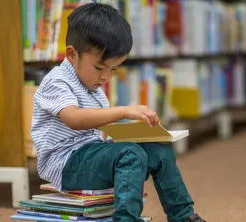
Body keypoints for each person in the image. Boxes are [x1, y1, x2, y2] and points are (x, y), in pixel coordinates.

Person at [31, 3, 206, 222]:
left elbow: (100, 133)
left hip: (92, 156)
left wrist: (136, 134)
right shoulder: (56, 81)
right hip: (66, 164)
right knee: (130, 155)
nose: (106, 77)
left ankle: (182, 215)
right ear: (71, 54)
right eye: (99, 68)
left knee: (159, 151)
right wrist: (124, 111)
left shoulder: (93, 87)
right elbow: (74, 119)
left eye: (113, 69)